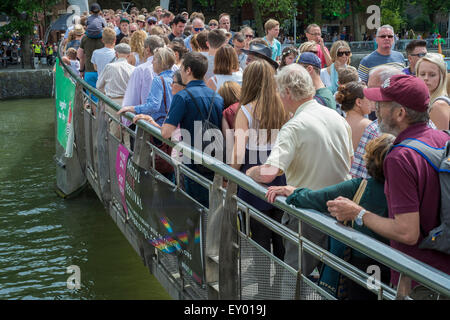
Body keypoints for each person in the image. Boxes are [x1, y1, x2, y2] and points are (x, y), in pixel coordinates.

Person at [327, 74, 450, 300]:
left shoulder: (399, 157)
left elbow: (407, 232)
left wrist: (358, 213)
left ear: (400, 113)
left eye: (382, 104)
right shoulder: (442, 138)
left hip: (418, 277)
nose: (376, 108)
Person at [246, 63, 353, 297]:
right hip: (340, 213)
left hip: (308, 214)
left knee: (293, 279)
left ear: (286, 93)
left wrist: (250, 172)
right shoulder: (337, 117)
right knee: (332, 282)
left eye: (278, 92)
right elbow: (350, 160)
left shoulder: (293, 127)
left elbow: (268, 174)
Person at [268, 134, 394, 300]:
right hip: (396, 265)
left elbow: (315, 199)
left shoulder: (360, 187)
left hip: (360, 261)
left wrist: (292, 191)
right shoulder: (407, 194)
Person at [231, 60, 288, 297]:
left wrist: (229, 176)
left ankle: (264, 291)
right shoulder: (285, 108)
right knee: (281, 238)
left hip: (254, 181)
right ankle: (282, 287)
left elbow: (238, 151)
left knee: (259, 240)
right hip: (281, 176)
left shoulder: (245, 110)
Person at [160, 52, 224, 208]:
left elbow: (166, 132)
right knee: (210, 206)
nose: (180, 71)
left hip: (192, 162)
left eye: (182, 67)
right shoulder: (217, 97)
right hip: (214, 160)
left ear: (188, 70)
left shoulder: (182, 96)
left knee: (192, 208)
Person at [118, 47, 176, 126]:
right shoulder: (175, 77)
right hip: (173, 124)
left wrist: (132, 108)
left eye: (154, 59)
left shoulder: (158, 80)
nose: (152, 62)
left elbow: (153, 106)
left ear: (161, 62)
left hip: (159, 125)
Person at [416, 53, 449, 130]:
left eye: (432, 75)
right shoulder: (426, 101)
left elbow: (441, 140)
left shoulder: (439, 105)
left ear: (442, 76)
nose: (426, 78)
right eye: (422, 74)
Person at [335, 81, 372, 151]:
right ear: (359, 102)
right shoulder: (371, 127)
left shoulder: (338, 125)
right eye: (368, 97)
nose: (372, 100)